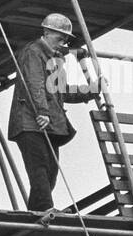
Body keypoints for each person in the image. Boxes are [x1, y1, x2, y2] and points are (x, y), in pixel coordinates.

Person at [7, 13, 98, 213]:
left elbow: (62, 92)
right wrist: (42, 111)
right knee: (39, 167)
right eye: (60, 38)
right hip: (31, 123)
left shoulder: (55, 59)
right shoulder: (34, 52)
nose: (63, 43)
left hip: (48, 124)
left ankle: (36, 212)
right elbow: (35, 83)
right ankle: (45, 208)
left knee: (50, 171)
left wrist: (90, 91)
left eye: (66, 40)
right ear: (47, 32)